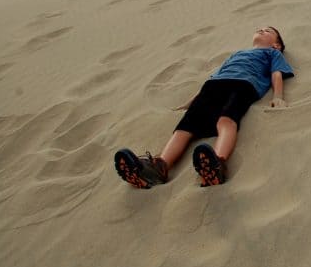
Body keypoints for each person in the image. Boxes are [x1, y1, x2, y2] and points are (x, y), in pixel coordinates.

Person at [114, 26, 294, 188]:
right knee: (185, 128)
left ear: (276, 45)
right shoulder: (236, 54)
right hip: (212, 87)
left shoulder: (272, 54)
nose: (261, 30)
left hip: (244, 85)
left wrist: (278, 96)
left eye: (268, 31)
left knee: (227, 121)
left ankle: (217, 163)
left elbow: (276, 74)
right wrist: (191, 101)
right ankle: (159, 166)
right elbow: (215, 75)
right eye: (259, 28)